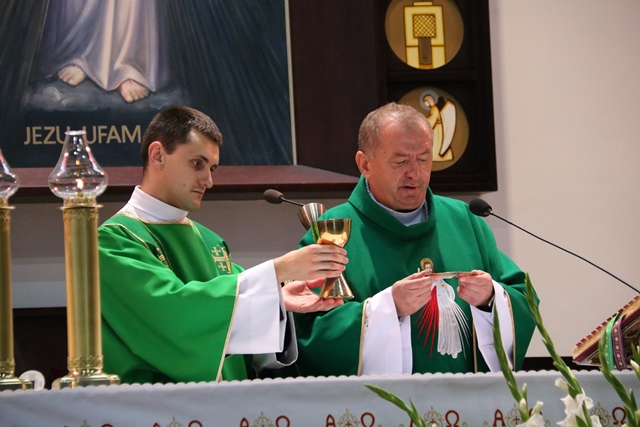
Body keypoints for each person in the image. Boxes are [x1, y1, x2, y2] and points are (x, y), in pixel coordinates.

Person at [98, 106, 347, 384]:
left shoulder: (211, 242)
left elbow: (229, 320)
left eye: (212, 168)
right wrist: (277, 270)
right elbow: (175, 318)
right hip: (151, 403)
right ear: (158, 155)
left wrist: (276, 299)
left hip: (225, 401)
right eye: (197, 164)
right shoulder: (113, 241)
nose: (209, 181)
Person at [293, 102, 537, 376]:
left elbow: (523, 299)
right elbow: (316, 332)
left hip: (467, 398)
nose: (415, 173)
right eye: (400, 162)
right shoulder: (331, 234)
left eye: (423, 159)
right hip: (381, 402)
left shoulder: (465, 221)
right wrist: (389, 307)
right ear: (365, 164)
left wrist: (490, 299)